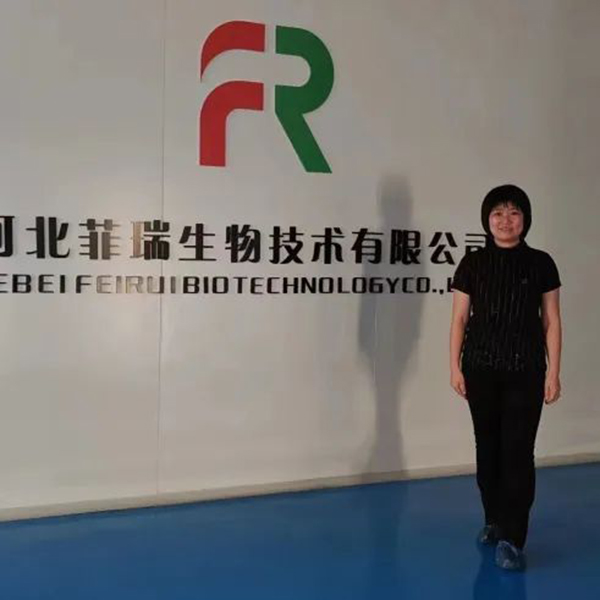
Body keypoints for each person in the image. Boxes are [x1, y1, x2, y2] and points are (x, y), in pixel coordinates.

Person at [449, 184, 562, 571]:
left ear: (525, 219)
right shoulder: (472, 264)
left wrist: (553, 371)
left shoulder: (541, 263)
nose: (505, 220)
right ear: (487, 219)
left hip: (526, 370)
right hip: (480, 367)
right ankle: (494, 518)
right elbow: (459, 319)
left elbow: (551, 321)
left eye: (514, 212)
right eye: (498, 213)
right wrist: (454, 366)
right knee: (488, 448)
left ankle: (514, 538)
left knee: (518, 451)